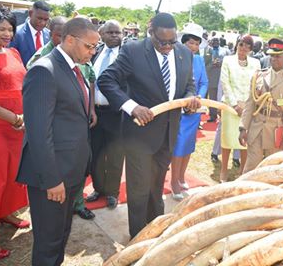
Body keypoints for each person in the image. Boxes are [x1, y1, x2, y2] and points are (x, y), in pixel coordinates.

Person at [97, 12, 199, 238]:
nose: (167, 47)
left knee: (156, 188)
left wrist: (191, 99)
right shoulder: (133, 51)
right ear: (150, 32)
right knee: (139, 190)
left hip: (168, 134)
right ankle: (138, 239)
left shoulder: (183, 53)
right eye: (162, 42)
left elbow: (188, 85)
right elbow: (106, 80)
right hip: (139, 136)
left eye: (172, 41)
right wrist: (132, 106)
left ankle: (155, 233)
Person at [18, 17, 98, 266]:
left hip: (71, 170)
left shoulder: (75, 69)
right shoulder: (44, 70)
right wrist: (52, 180)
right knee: (49, 241)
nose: (93, 52)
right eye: (89, 46)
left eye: (95, 47)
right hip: (52, 176)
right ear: (71, 39)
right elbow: (39, 134)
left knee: (61, 235)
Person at [0, 6, 29, 261]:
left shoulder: (13, 52)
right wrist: (13, 118)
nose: (7, 33)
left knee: (14, 175)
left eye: (10, 28)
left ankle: (4, 213)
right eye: (1, 28)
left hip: (18, 127)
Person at [239, 38, 283, 172]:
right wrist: (243, 128)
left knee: (271, 170)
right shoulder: (259, 75)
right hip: (257, 128)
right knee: (251, 167)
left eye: (278, 56)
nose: (274, 59)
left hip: (277, 131)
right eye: (272, 56)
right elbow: (250, 103)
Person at [86, 20, 126, 210]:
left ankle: (112, 193)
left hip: (116, 114)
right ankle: (99, 188)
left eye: (117, 32)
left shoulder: (127, 55)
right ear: (101, 33)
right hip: (95, 113)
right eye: (109, 32)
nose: (114, 36)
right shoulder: (96, 52)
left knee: (115, 155)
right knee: (95, 154)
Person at [170, 23, 208, 200]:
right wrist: (185, 102)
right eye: (190, 43)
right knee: (178, 146)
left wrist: (198, 98)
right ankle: (173, 181)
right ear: (182, 42)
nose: (193, 47)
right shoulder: (174, 58)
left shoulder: (199, 60)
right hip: (179, 111)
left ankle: (182, 176)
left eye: (196, 43)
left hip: (195, 110)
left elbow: (204, 82)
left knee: (188, 146)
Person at [220, 35, 261, 181]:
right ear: (237, 44)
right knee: (227, 140)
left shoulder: (256, 63)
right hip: (230, 106)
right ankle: (224, 170)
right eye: (241, 44)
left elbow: (257, 84)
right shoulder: (227, 60)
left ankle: (243, 171)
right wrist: (235, 104)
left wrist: (247, 105)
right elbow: (225, 83)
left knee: (244, 141)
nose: (243, 48)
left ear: (251, 49)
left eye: (248, 46)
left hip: (248, 108)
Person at [9, 0, 51, 65]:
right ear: (30, 13)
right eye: (39, 18)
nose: (43, 23)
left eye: (46, 20)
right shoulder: (16, 34)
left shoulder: (49, 34)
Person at [204, 37, 228, 122]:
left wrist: (221, 64)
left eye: (217, 40)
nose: (215, 42)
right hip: (212, 78)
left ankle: (223, 115)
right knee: (212, 98)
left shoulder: (225, 51)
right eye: (214, 40)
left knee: (223, 98)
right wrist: (212, 64)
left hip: (223, 78)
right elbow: (204, 65)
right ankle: (213, 116)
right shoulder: (207, 51)